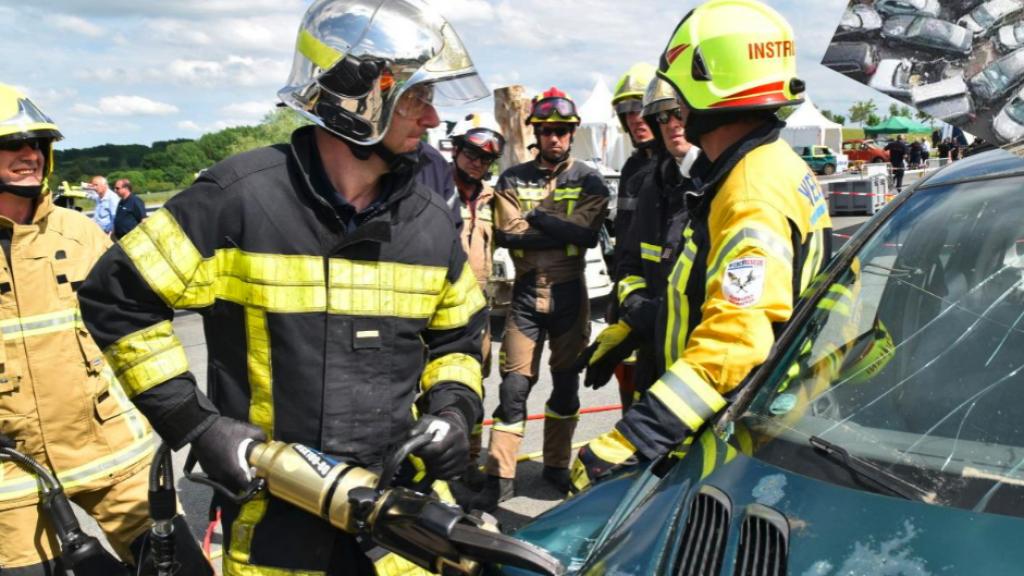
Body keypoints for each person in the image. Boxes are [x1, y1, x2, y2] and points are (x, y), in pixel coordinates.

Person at [78, 0, 491, 573]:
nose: (432, 119)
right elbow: (117, 300)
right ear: (361, 95)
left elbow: (458, 340)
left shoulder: (427, 220)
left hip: (402, 523)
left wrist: (453, 408)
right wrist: (197, 423)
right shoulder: (235, 200)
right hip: (273, 519)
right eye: (418, 97)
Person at [570, 0, 833, 492]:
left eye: (676, 89)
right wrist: (634, 325)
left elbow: (735, 340)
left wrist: (636, 436)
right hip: (747, 410)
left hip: (732, 423)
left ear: (709, 84)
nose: (667, 109)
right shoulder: (765, 167)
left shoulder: (750, 191)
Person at [0, 84, 209, 575]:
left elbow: (140, 324)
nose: (29, 154)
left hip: (115, 455)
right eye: (12, 144)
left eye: (38, 143)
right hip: (11, 475)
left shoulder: (81, 235)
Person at [471, 87, 609, 508]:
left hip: (571, 294)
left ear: (572, 134)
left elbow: (587, 235)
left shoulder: (589, 178)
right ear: (536, 132)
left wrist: (536, 217)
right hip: (527, 294)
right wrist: (560, 227)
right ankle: (499, 478)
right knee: (513, 389)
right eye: (547, 130)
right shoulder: (512, 178)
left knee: (566, 388)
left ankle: (555, 468)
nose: (554, 138)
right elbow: (511, 234)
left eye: (562, 131)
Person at [579, 76, 700, 410]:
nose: (671, 124)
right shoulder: (647, 175)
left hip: (695, 355)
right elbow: (631, 252)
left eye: (678, 114)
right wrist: (631, 308)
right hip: (643, 313)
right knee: (633, 399)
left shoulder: (715, 179)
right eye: (661, 116)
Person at [448, 112, 505, 486]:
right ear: (456, 149)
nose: (478, 162)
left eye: (486, 158)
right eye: (471, 152)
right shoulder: (435, 191)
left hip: (478, 312)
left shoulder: (492, 199)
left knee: (473, 388)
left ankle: (466, 463)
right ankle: (427, 463)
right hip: (435, 309)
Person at [606, 61, 658, 408]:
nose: (635, 117)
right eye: (627, 110)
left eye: (641, 107)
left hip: (663, 305)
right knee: (629, 387)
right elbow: (626, 239)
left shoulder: (682, 165)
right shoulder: (633, 166)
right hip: (629, 296)